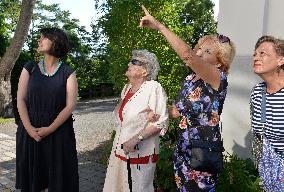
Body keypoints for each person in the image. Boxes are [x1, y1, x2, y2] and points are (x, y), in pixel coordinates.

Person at [140, 6, 235, 191]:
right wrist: (157, 112)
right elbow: (176, 110)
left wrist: (160, 27)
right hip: (183, 153)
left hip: (203, 156)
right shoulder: (189, 80)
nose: (198, 52)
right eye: (198, 48)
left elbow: (188, 56)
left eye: (206, 51)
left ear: (219, 61)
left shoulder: (218, 78)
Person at [16, 27, 79, 192]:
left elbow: (70, 105)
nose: (39, 40)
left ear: (55, 41)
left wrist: (50, 129)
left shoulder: (68, 72)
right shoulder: (30, 67)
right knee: (33, 183)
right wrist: (30, 129)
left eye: (43, 38)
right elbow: (20, 100)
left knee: (59, 181)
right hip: (31, 132)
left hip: (58, 132)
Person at [103, 49, 169, 192]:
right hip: (120, 152)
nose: (129, 63)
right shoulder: (127, 88)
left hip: (140, 152)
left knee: (139, 188)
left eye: (135, 62)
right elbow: (124, 121)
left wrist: (136, 139)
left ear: (145, 71)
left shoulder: (153, 88)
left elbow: (160, 122)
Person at [250, 35, 284, 192]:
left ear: (280, 60)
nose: (256, 57)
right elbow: (260, 132)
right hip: (269, 174)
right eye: (255, 54)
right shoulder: (258, 92)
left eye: (263, 53)